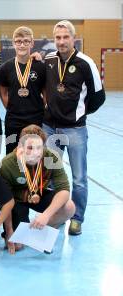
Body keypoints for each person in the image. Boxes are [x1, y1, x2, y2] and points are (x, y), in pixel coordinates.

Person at [43, 20, 105, 235]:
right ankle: (56, 216)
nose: (61, 41)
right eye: (57, 38)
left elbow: (99, 96)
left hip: (75, 130)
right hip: (50, 128)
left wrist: (80, 114)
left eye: (65, 37)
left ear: (73, 37)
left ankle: (77, 218)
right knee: (50, 175)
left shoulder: (86, 63)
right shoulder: (48, 59)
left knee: (78, 178)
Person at [0, 125, 76, 252]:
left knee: (69, 207)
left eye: (39, 148)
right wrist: (9, 231)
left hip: (39, 194)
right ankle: (25, 231)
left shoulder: (51, 157)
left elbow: (64, 190)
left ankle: (45, 228)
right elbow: (5, 201)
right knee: (17, 246)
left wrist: (46, 215)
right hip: (16, 201)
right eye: (29, 148)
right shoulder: (8, 164)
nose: (34, 152)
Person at [0, 26, 46, 154]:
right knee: (11, 154)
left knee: (35, 155)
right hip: (12, 121)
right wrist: (11, 107)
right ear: (13, 43)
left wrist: (43, 110)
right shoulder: (5, 68)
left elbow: (45, 92)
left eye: (26, 41)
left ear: (32, 43)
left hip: (36, 119)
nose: (22, 45)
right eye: (18, 41)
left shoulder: (41, 67)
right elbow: (3, 91)